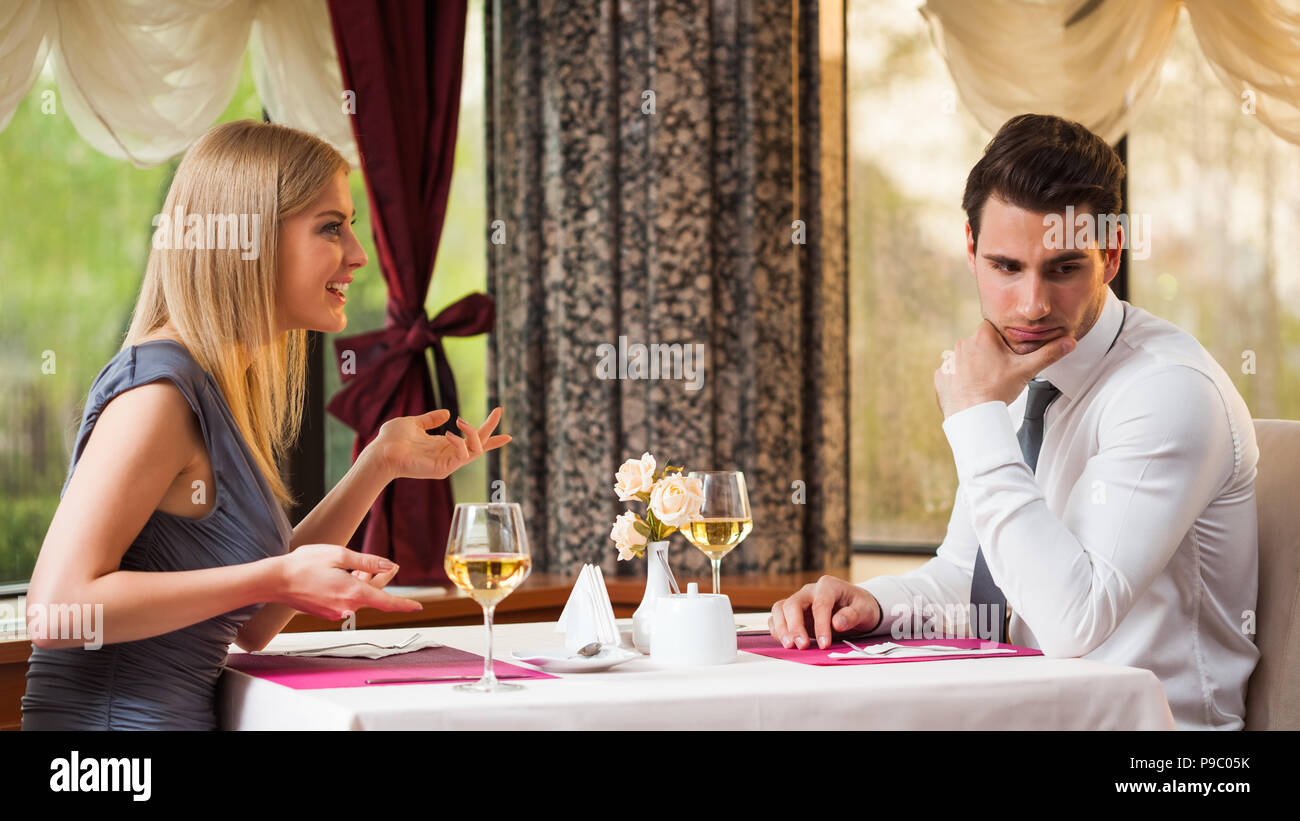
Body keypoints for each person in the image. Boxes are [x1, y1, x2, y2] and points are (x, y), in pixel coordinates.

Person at [769, 113, 1259, 731]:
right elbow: (974, 579)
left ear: (1109, 256)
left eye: (1063, 268)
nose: (1032, 305)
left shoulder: (1167, 392)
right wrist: (874, 603)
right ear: (971, 251)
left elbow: (1071, 621)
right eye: (1006, 266)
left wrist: (975, 414)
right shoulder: (1018, 370)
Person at [21, 120, 510, 730]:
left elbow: (255, 622)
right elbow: (54, 610)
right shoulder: (160, 393)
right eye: (331, 227)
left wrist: (379, 462)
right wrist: (277, 572)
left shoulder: (223, 390)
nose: (358, 255)